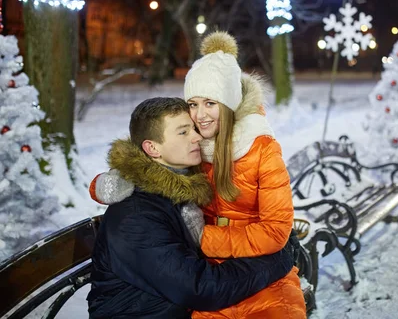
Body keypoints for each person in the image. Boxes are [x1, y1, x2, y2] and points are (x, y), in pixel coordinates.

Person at [91, 31, 307, 319]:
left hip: (240, 270)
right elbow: (200, 288)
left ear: (228, 105)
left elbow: (274, 229)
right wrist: (115, 180)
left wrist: (204, 238)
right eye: (192, 105)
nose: (198, 122)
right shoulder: (183, 161)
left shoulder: (250, 149)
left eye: (210, 103)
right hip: (204, 283)